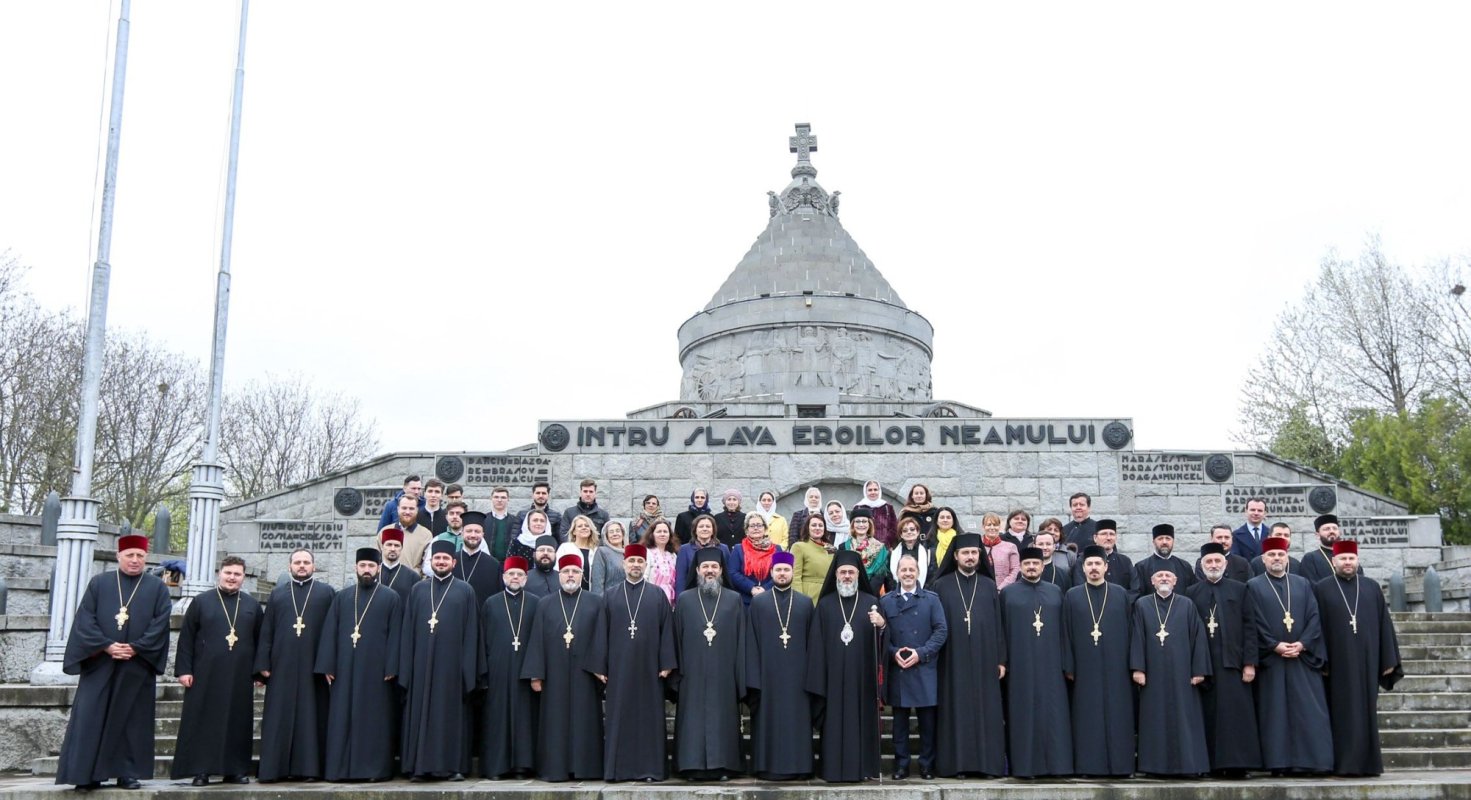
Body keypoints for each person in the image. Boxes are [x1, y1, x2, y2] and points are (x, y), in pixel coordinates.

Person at [1313, 540, 1403, 776]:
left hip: (1367, 661)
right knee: (1340, 712)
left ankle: (1369, 764)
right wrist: (1322, 660)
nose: (1347, 562)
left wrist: (1388, 660)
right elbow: (1316, 627)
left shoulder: (1371, 587)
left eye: (1351, 558)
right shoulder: (1321, 588)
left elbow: (1385, 624)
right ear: (1334, 562)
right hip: (1337, 664)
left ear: (1357, 560)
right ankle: (1342, 764)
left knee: (1366, 712)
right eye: (1343, 559)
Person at [173, 555, 262, 786]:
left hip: (240, 675)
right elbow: (187, 638)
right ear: (219, 574)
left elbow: (261, 640)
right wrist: (184, 670)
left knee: (238, 721)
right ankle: (201, 770)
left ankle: (235, 770)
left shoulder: (252, 605)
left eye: (237, 574)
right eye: (228, 573)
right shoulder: (201, 601)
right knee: (204, 720)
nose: (232, 578)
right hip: (205, 674)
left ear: (243, 578)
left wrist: (260, 672)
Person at [1247, 535, 1333, 775]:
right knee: (1275, 714)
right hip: (1272, 660)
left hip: (1301, 659)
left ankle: (1314, 761)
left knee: (1309, 710)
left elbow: (1314, 616)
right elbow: (1254, 621)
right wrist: (1274, 645)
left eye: (1281, 554)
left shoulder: (1303, 583)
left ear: (1287, 558)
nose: (1276, 558)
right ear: (1263, 559)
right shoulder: (1253, 585)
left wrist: (1303, 644)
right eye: (1272, 555)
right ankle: (1279, 763)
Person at [315, 548, 402, 782]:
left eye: (371, 566)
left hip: (377, 671)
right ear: (355, 567)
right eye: (362, 565)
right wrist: (328, 665)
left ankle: (373, 770)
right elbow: (330, 631)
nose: (366, 570)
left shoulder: (391, 597)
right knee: (341, 718)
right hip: (344, 668)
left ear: (378, 569)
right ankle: (339, 770)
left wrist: (392, 666)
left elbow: (396, 634)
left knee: (374, 719)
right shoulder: (342, 597)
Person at [521, 551, 608, 782]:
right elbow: (537, 638)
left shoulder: (595, 602)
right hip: (554, 673)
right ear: (560, 574)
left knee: (585, 720)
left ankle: (586, 768)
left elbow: (601, 637)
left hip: (585, 672)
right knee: (554, 720)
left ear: (582, 575)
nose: (570, 575)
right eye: (567, 571)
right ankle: (554, 769)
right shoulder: (545, 603)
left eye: (575, 572)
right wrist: (535, 675)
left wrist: (599, 668)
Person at [398, 540, 481, 781]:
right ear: (430, 563)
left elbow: (472, 632)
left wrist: (468, 670)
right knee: (420, 713)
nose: (441, 562)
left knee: (451, 716)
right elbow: (407, 631)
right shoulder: (418, 590)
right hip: (421, 667)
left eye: (445, 559)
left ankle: (452, 767)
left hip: (453, 670)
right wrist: (406, 668)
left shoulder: (465, 591)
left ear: (453, 563)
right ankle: (418, 768)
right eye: (437, 559)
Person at [928, 533, 1006, 778]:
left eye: (974, 553)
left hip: (985, 658)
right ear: (955, 556)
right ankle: (956, 765)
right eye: (966, 553)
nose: (970, 557)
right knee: (955, 709)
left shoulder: (989, 585)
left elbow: (999, 625)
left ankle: (987, 765)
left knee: (987, 710)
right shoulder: (941, 585)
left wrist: (1001, 659)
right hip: (952, 660)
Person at [805, 551, 886, 782]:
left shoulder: (872, 604)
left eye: (851, 572)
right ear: (836, 575)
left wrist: (882, 625)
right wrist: (818, 677)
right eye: (843, 572)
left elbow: (882, 643)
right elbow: (816, 644)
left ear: (859, 575)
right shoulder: (825, 605)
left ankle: (864, 769)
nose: (847, 576)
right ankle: (831, 770)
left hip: (862, 679)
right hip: (831, 679)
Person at [254, 549, 334, 782]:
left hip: (314, 667)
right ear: (289, 566)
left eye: (306, 562)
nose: (302, 566)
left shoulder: (326, 593)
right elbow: (266, 631)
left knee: (312, 717)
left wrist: (328, 664)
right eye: (297, 562)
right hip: (282, 666)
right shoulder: (278, 594)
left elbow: (332, 631)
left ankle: (309, 769)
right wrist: (263, 664)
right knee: (279, 716)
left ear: (314, 566)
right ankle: (274, 769)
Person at [600, 545, 676, 782]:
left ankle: (651, 769)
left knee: (649, 718)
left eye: (639, 562)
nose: (635, 565)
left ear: (646, 565)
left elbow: (667, 631)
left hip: (650, 669)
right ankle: (618, 770)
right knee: (619, 717)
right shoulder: (610, 595)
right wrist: (600, 668)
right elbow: (601, 632)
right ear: (624, 564)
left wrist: (667, 662)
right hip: (618, 668)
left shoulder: (657, 594)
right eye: (631, 561)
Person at [1185, 541, 1262, 777]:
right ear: (1201, 564)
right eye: (1209, 561)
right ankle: (1210, 765)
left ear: (1225, 563)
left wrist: (1250, 663)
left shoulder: (1240, 589)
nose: (1213, 564)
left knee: (1236, 716)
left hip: (1233, 663)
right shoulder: (1191, 593)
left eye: (1217, 560)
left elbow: (1250, 627)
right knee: (1208, 716)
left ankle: (1238, 765)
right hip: (1205, 665)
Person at [671, 549, 747, 780]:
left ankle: (724, 766)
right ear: (697, 570)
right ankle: (690, 767)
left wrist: (739, 677)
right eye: (705, 567)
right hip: (691, 674)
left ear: (722, 570)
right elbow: (675, 639)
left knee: (723, 718)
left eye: (714, 566)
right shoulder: (685, 599)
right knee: (691, 721)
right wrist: (677, 674)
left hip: (724, 673)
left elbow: (742, 639)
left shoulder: (734, 600)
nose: (710, 570)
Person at [1130, 569, 1211, 777]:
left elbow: (1198, 638)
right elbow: (1137, 637)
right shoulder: (1142, 604)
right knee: (1154, 717)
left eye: (1168, 576)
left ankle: (1189, 766)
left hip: (1183, 672)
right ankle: (1154, 767)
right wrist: (1138, 668)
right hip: (1153, 673)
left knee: (1185, 717)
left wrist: (1199, 670)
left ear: (1175, 581)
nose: (1164, 579)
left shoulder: (1186, 604)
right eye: (1159, 576)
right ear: (1152, 581)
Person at [1000, 544, 1072, 777]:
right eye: (1027, 563)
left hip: (1052, 665)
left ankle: (1056, 766)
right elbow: (1000, 631)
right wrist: (1003, 661)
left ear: (1042, 565)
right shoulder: (1008, 594)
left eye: (1036, 563)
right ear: (1020, 566)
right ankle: (1024, 766)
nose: (1031, 567)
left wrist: (1067, 663)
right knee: (1022, 714)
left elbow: (1065, 631)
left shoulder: (1055, 592)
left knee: (1054, 714)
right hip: (1019, 666)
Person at [1061, 544, 1134, 777]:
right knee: (1086, 715)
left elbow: (1131, 631)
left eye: (1097, 564)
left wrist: (1132, 664)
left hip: (1117, 666)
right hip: (1084, 667)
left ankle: (1121, 766)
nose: (1094, 568)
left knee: (1118, 714)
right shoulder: (1072, 595)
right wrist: (1069, 666)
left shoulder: (1120, 594)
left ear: (1106, 567)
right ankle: (1088, 766)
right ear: (1083, 568)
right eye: (1089, 564)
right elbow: (1066, 633)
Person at [744, 552, 815, 780]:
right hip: (767, 676)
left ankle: (800, 767)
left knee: (796, 721)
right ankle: (766, 767)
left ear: (792, 572)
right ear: (771, 573)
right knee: (767, 722)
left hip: (798, 678)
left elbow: (813, 644)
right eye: (778, 570)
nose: (782, 573)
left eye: (786, 570)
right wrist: (753, 678)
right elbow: (750, 641)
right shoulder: (758, 602)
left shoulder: (805, 603)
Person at [879, 553, 948, 780]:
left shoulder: (931, 599)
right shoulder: (886, 601)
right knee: (899, 724)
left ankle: (927, 765)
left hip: (924, 667)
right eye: (903, 570)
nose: (908, 573)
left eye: (912, 569)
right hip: (899, 667)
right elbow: (882, 635)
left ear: (918, 573)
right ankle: (901, 765)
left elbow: (941, 631)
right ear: (897, 574)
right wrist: (892, 653)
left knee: (927, 723)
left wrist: (921, 653)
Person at [479, 557, 540, 780]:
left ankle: (523, 766)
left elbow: (539, 639)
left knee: (525, 719)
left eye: (519, 575)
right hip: (498, 670)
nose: (515, 578)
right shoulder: (491, 603)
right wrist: (484, 672)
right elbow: (482, 639)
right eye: (511, 574)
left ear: (526, 578)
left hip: (525, 671)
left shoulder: (535, 603)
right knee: (498, 718)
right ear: (504, 577)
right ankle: (497, 767)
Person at [454, 511, 505, 606]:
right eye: (469, 531)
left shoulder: (493, 564)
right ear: (461, 534)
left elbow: (498, 597)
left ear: (483, 535)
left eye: (477, 531)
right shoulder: (451, 561)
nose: (473, 535)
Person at [1069, 518, 1133, 593]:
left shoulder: (1125, 561)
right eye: (1104, 534)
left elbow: (1134, 589)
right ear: (1095, 538)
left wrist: (1122, 602)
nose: (1108, 538)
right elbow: (1079, 587)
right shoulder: (1083, 559)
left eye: (1112, 534)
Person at [729, 513, 782, 602]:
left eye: (759, 525)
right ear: (747, 530)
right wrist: (751, 588)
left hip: (770, 598)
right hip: (745, 599)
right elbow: (733, 572)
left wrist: (765, 589)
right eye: (752, 526)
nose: (756, 528)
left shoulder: (777, 549)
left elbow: (780, 572)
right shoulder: (738, 548)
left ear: (765, 529)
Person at [1131, 523, 1195, 593]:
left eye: (1168, 538)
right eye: (1160, 539)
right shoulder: (1141, 567)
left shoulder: (1185, 566)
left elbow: (1192, 593)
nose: (1164, 542)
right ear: (1153, 542)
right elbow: (1137, 594)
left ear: (1173, 541)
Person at [567, 514, 622, 594]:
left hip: (590, 593)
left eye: (587, 525)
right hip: (570, 591)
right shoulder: (566, 548)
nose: (584, 527)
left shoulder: (595, 550)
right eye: (580, 526)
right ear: (574, 531)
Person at [675, 514, 729, 594]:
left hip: (717, 593)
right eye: (701, 526)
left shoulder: (723, 549)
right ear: (695, 530)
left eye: (708, 526)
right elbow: (681, 578)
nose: (704, 529)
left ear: (713, 530)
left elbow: (727, 575)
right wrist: (680, 600)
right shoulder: (684, 549)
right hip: (692, 595)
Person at [383, 495, 432, 577]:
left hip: (412, 584)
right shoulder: (385, 531)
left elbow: (427, 565)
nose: (407, 512)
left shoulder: (426, 535)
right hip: (387, 583)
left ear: (417, 510)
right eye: (404, 508)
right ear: (398, 509)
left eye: (411, 508)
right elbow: (377, 561)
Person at [791, 513, 837, 602]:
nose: (817, 528)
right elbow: (795, 576)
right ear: (807, 528)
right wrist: (798, 599)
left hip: (828, 595)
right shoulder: (799, 546)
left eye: (820, 525)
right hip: (808, 595)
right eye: (813, 525)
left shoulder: (831, 549)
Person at [842, 506, 887, 594]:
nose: (861, 524)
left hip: (872, 594)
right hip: (849, 592)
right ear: (853, 525)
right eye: (857, 521)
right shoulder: (843, 547)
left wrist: (868, 594)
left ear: (869, 524)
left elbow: (879, 576)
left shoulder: (880, 548)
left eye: (864, 521)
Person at [1302, 514, 1359, 584]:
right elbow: (1310, 585)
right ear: (1317, 535)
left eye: (1335, 528)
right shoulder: (1310, 558)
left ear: (1339, 532)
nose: (1332, 531)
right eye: (1327, 529)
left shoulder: (1349, 556)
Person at [887, 516, 937, 591]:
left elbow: (931, 577)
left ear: (918, 532)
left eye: (912, 529)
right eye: (905, 530)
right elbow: (889, 578)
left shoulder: (928, 554)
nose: (909, 532)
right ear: (901, 535)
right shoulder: (892, 554)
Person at [376, 528, 420, 603]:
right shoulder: (374, 573)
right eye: (389, 545)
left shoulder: (413, 577)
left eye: (397, 545)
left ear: (401, 548)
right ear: (382, 547)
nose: (393, 549)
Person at [641, 519, 680, 603]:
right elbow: (644, 577)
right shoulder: (647, 553)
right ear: (652, 535)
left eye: (665, 532)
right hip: (650, 597)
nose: (662, 534)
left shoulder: (673, 555)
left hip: (670, 599)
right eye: (659, 531)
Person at [852, 480, 898, 547]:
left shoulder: (887, 507)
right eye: (870, 490)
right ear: (865, 491)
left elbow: (894, 527)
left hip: (884, 546)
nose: (873, 492)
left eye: (875, 490)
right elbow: (854, 527)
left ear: (879, 491)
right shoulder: (858, 507)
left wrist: (886, 542)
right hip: (863, 546)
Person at [981, 512, 1020, 590]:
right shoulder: (976, 546)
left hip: (1005, 590)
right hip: (982, 589)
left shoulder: (1010, 547)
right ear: (983, 527)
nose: (992, 528)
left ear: (999, 527)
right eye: (989, 525)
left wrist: (1001, 588)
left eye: (995, 525)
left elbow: (1015, 569)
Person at [1231, 497, 1270, 563]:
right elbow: (1236, 559)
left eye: (1260, 510)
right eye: (1252, 510)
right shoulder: (1236, 535)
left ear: (1265, 513)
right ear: (1246, 512)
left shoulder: (1271, 534)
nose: (1256, 513)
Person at [484, 487, 518, 560]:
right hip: (488, 561)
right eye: (496, 497)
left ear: (508, 499)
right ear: (491, 498)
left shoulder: (515, 521)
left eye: (503, 497)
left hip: (509, 563)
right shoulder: (483, 519)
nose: (499, 500)